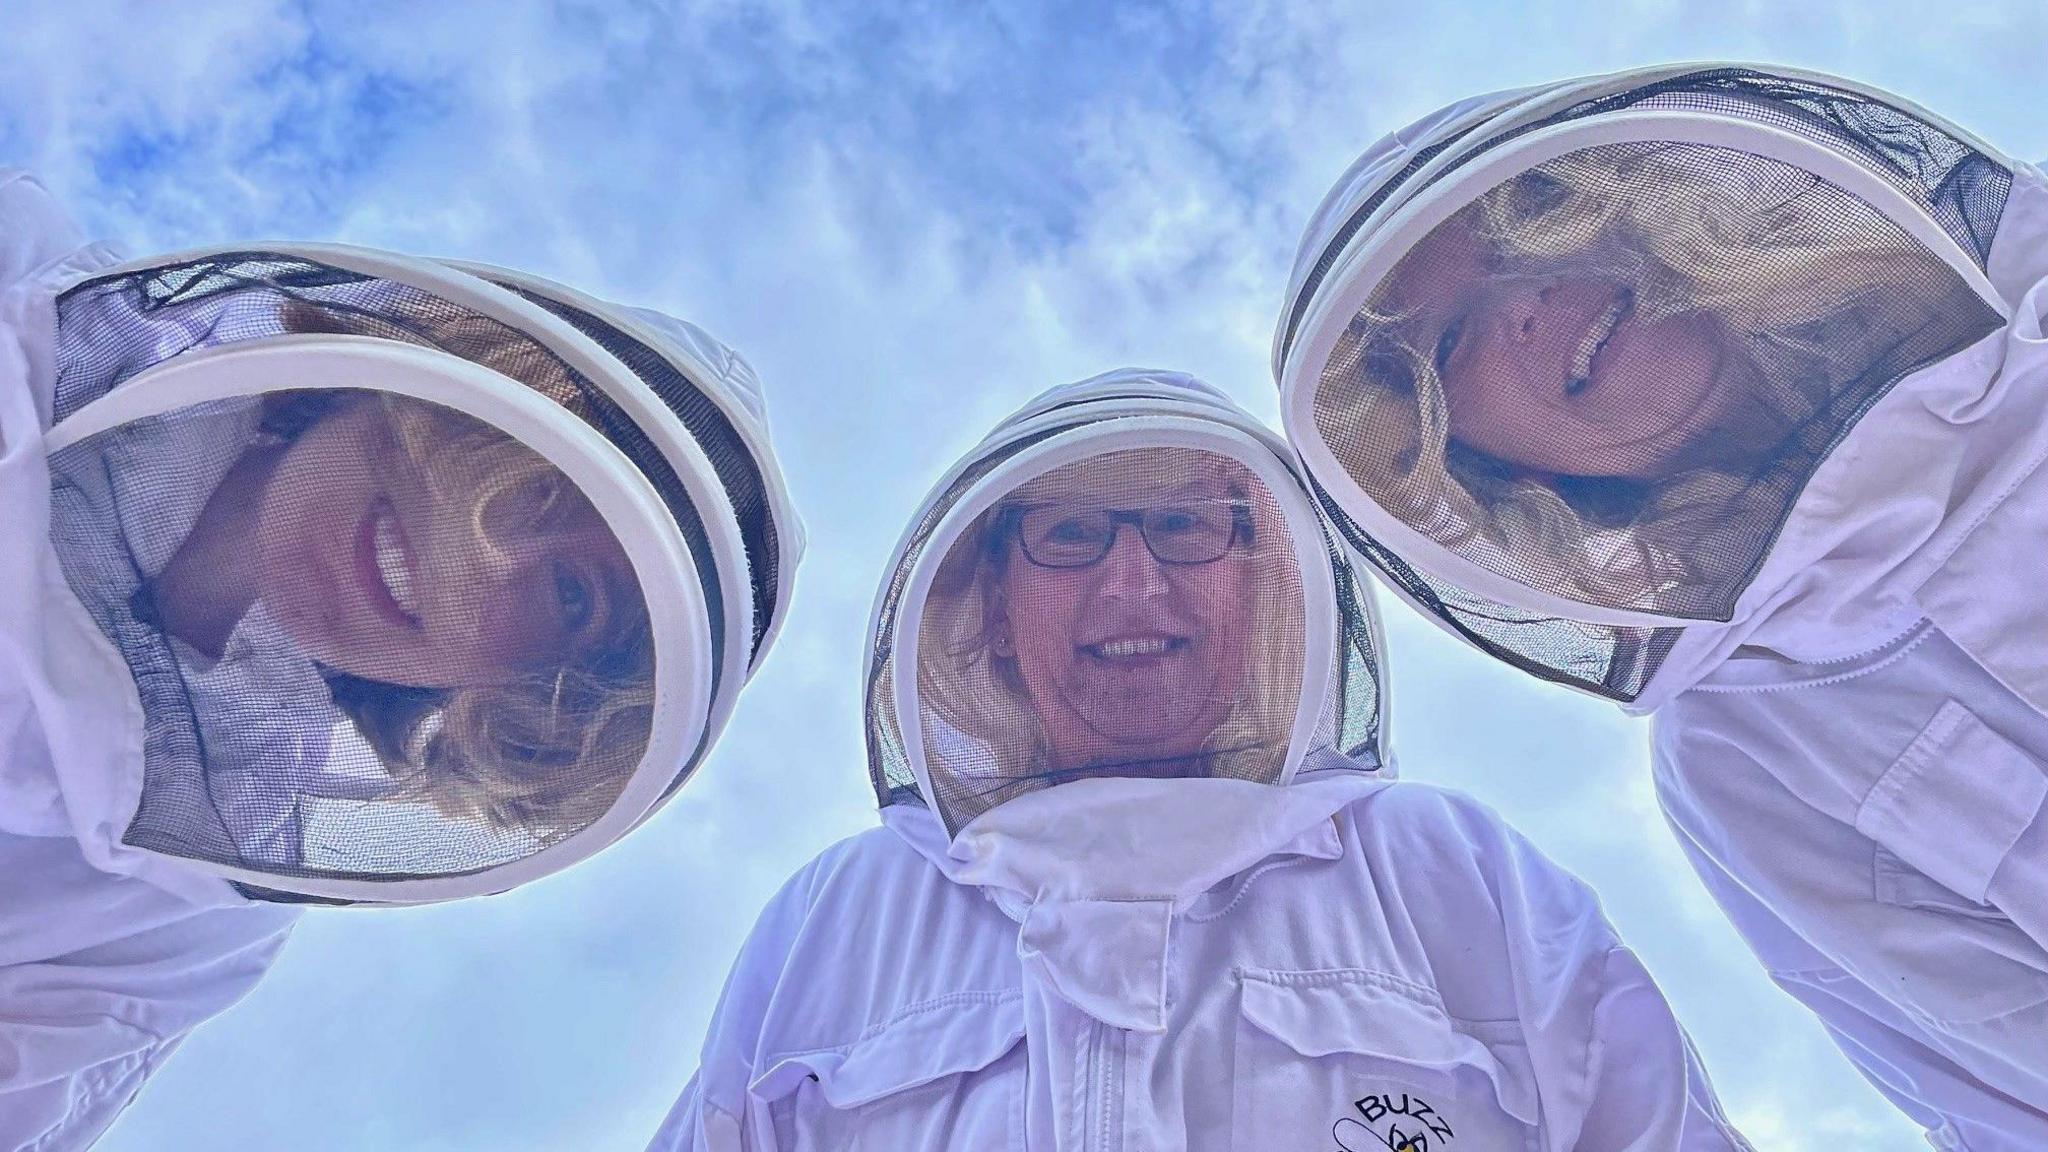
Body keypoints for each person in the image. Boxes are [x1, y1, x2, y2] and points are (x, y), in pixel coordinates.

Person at [651, 370, 1751, 1150]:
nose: (1132, 584)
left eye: (1186, 527)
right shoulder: (844, 916)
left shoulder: (1439, 868)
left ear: (1263, 585)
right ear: (987, 606)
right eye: (1071, 535)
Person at [1274, 63, 2048, 1149]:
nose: (1526, 305)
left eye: (1522, 231)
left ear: (1641, 207)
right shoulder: (1746, 753)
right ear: (1483, 467)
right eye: (1450, 344)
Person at [0, 177, 804, 1148]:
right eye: (534, 477)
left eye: (572, 597)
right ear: (427, 380)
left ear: (515, 702)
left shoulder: (182, 928)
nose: (489, 548)